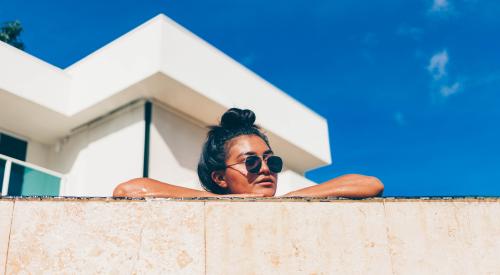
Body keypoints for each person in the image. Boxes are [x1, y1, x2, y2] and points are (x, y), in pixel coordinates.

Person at [113, 108, 384, 198]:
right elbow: (128, 190)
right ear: (220, 178)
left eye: (271, 161)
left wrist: (290, 198)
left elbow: (371, 184)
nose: (265, 169)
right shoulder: (211, 206)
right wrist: (223, 202)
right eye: (251, 162)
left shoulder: (288, 203)